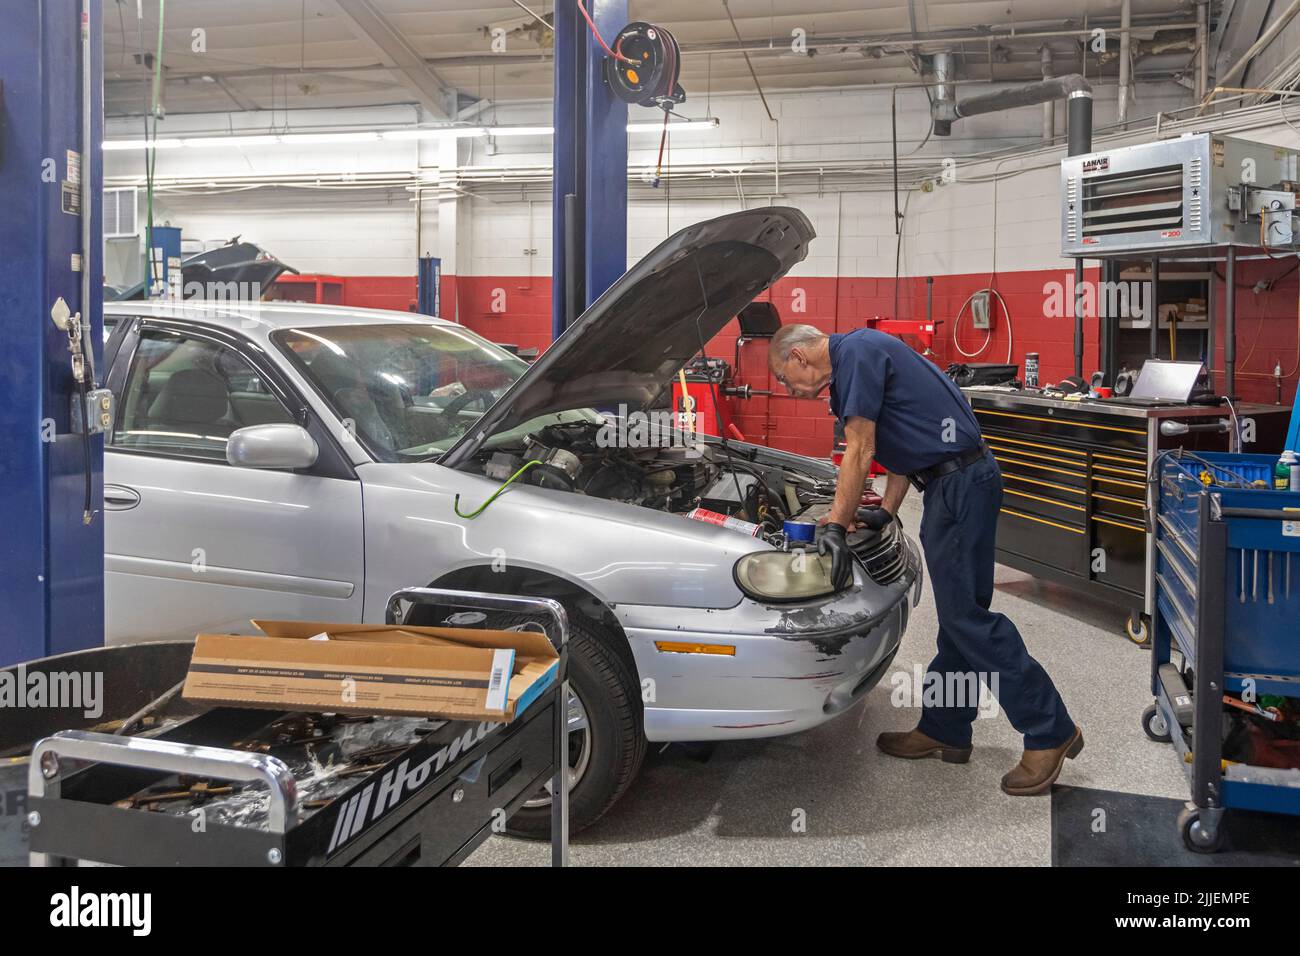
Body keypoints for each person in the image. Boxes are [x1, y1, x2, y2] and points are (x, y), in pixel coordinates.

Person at [768, 323, 1082, 796]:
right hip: (953, 483)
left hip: (958, 487)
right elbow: (900, 441)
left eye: (784, 379)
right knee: (957, 621)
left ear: (798, 356)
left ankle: (1050, 730)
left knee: (968, 620)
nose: (790, 389)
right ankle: (946, 729)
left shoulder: (853, 354)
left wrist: (835, 525)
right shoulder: (865, 351)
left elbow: (860, 448)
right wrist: (885, 511)